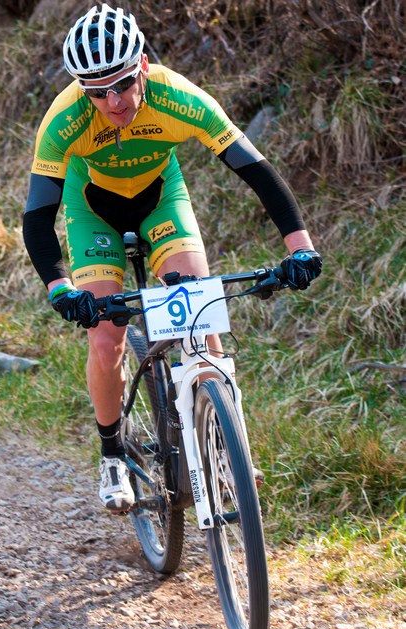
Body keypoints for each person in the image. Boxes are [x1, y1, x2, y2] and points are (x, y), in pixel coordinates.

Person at [23, 3, 322, 514]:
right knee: (106, 337)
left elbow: (255, 169)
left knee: (201, 319)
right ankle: (112, 453)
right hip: (91, 210)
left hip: (161, 199)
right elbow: (37, 216)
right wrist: (60, 289)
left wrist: (300, 246)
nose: (113, 101)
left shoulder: (178, 97)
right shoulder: (64, 120)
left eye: (122, 84)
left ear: (142, 65)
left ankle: (225, 448)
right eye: (97, 92)